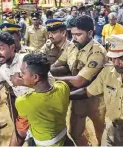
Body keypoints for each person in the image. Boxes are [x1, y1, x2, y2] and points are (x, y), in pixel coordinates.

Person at [51, 15, 107, 145]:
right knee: (75, 133)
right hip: (77, 97)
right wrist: (43, 70)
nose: (74, 38)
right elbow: (58, 64)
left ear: (90, 33)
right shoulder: (73, 46)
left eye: (78, 34)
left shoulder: (97, 52)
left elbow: (79, 80)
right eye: (72, 34)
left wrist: (51, 79)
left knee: (101, 134)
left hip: (96, 100)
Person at [11, 53, 74, 146]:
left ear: (36, 77)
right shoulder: (63, 87)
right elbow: (51, 84)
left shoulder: (23, 101)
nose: (21, 76)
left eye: (23, 73)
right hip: (64, 140)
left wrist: (21, 83)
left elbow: (22, 130)